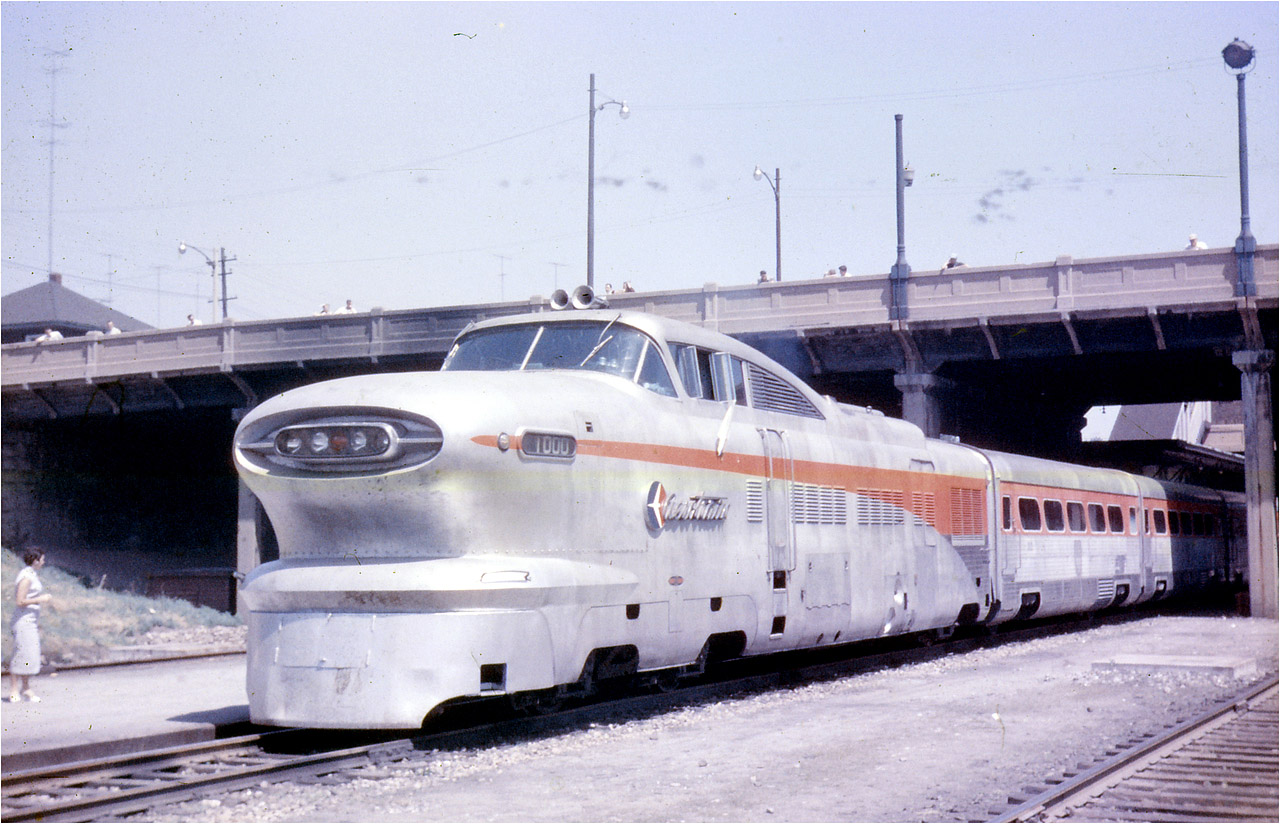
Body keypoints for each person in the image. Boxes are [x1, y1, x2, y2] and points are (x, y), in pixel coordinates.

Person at [9, 549, 51, 703]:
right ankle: (14, 690)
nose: (43, 562)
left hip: (31, 621)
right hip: (23, 621)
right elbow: (20, 601)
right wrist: (41, 599)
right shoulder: (26, 577)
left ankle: (26, 688)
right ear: (35, 560)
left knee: (29, 655)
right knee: (20, 654)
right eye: (42, 559)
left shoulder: (32, 574)